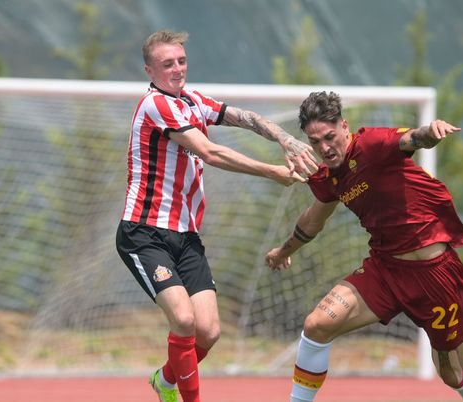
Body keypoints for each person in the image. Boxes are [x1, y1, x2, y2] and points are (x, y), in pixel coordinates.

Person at [115, 30, 318, 402]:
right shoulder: (155, 105)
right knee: (185, 320)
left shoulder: (192, 101)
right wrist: (272, 171)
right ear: (150, 70)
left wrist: (285, 139)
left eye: (181, 61)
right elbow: (210, 152)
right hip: (144, 233)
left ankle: (165, 380)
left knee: (208, 333)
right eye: (167, 64)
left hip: (186, 237)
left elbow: (247, 118)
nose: (177, 69)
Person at [265, 91, 463, 402]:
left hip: (434, 276)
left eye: (330, 137)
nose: (325, 148)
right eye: (316, 143)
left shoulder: (372, 144)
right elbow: (312, 220)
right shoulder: (331, 178)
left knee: (454, 375)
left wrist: (432, 131)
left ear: (344, 126)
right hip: (385, 271)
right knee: (316, 325)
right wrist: (283, 251)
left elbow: (414, 138)